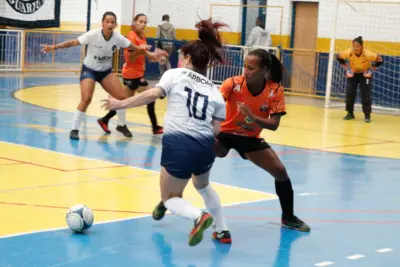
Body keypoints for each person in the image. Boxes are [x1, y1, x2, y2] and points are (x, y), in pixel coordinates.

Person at [149, 49, 310, 234]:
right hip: (223, 134)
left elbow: (274, 125)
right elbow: (212, 103)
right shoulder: (232, 84)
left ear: (264, 69)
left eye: (251, 68)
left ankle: (288, 217)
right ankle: (170, 197)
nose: (246, 71)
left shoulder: (275, 91)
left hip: (250, 138)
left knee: (280, 171)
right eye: (245, 67)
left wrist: (252, 115)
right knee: (196, 161)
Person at [101, 18, 231, 246]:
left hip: (180, 144)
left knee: (170, 198)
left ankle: (197, 216)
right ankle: (223, 231)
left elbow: (152, 95)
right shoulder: (216, 92)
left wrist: (119, 104)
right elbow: (217, 130)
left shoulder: (175, 76)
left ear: (188, 58)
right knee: (202, 185)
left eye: (181, 55)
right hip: (205, 147)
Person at [41, 11, 167, 140]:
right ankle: (74, 129)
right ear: (102, 23)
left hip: (105, 71)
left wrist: (152, 55)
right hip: (89, 69)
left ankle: (121, 125)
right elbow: (73, 42)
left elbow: (136, 48)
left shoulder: (118, 38)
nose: (110, 24)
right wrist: (54, 47)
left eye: (112, 22)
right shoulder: (93, 35)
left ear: (115, 24)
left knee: (122, 97)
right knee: (86, 99)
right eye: (107, 22)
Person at [98, 13, 165, 135]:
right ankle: (154, 127)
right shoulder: (132, 36)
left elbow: (144, 53)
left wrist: (156, 56)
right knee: (147, 98)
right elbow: (129, 58)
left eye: (145, 22)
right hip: (131, 75)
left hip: (138, 74)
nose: (143, 24)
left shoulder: (142, 36)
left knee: (124, 102)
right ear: (134, 22)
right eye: (140, 21)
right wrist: (140, 50)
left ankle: (105, 120)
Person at [336, 36, 383, 123]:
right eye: (354, 46)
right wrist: (344, 64)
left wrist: (374, 67)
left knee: (365, 94)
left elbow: (380, 59)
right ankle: (350, 113)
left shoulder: (367, 54)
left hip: (364, 74)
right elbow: (338, 56)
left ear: (361, 46)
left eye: (357, 46)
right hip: (353, 73)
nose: (355, 48)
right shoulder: (349, 52)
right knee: (350, 93)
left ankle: (367, 115)